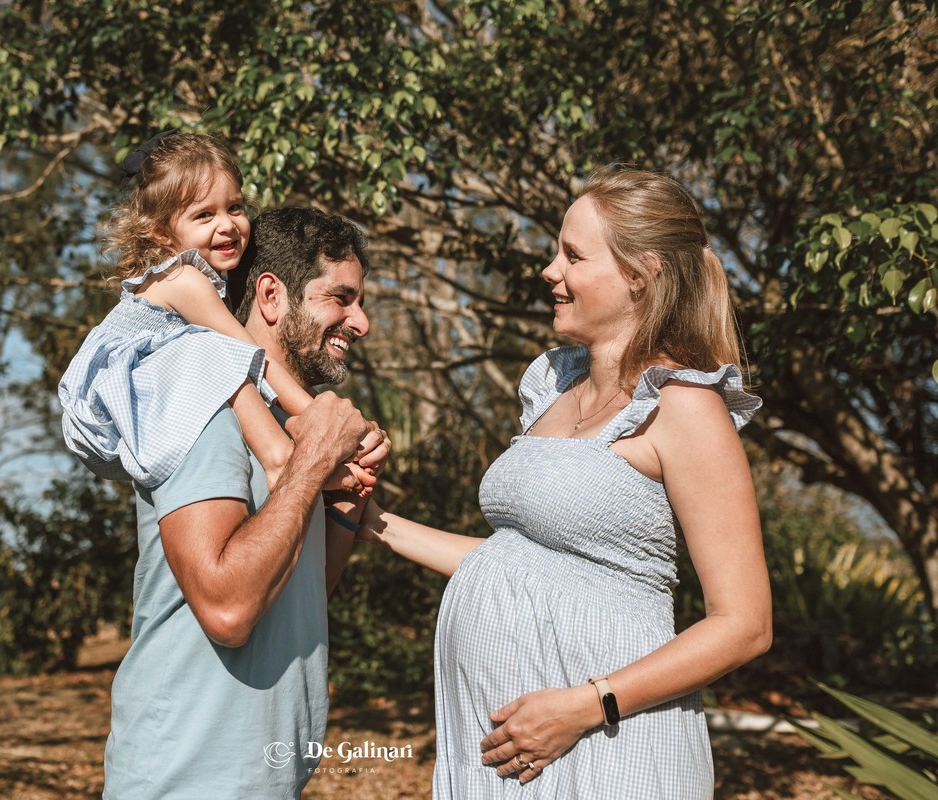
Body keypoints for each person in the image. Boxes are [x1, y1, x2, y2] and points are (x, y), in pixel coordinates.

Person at [358, 166, 772, 798]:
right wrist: (371, 521)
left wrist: (587, 705)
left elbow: (744, 625)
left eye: (573, 256)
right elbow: (516, 567)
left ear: (640, 274)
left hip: (610, 745)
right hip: (512, 751)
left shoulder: (685, 407)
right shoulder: (552, 388)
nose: (550, 270)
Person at [62, 198, 388, 798]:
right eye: (341, 298)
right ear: (271, 295)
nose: (361, 322)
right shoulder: (201, 400)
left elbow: (298, 597)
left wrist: (348, 495)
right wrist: (312, 464)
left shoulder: (291, 435)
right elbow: (229, 610)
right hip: (186, 778)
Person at [59, 130, 375, 493]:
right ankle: (278, 457)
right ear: (162, 232)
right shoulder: (183, 279)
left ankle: (291, 449)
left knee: (219, 351)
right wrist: (324, 419)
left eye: (234, 208)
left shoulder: (200, 282)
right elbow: (255, 359)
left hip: (128, 418)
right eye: (204, 215)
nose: (226, 225)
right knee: (224, 353)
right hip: (102, 415)